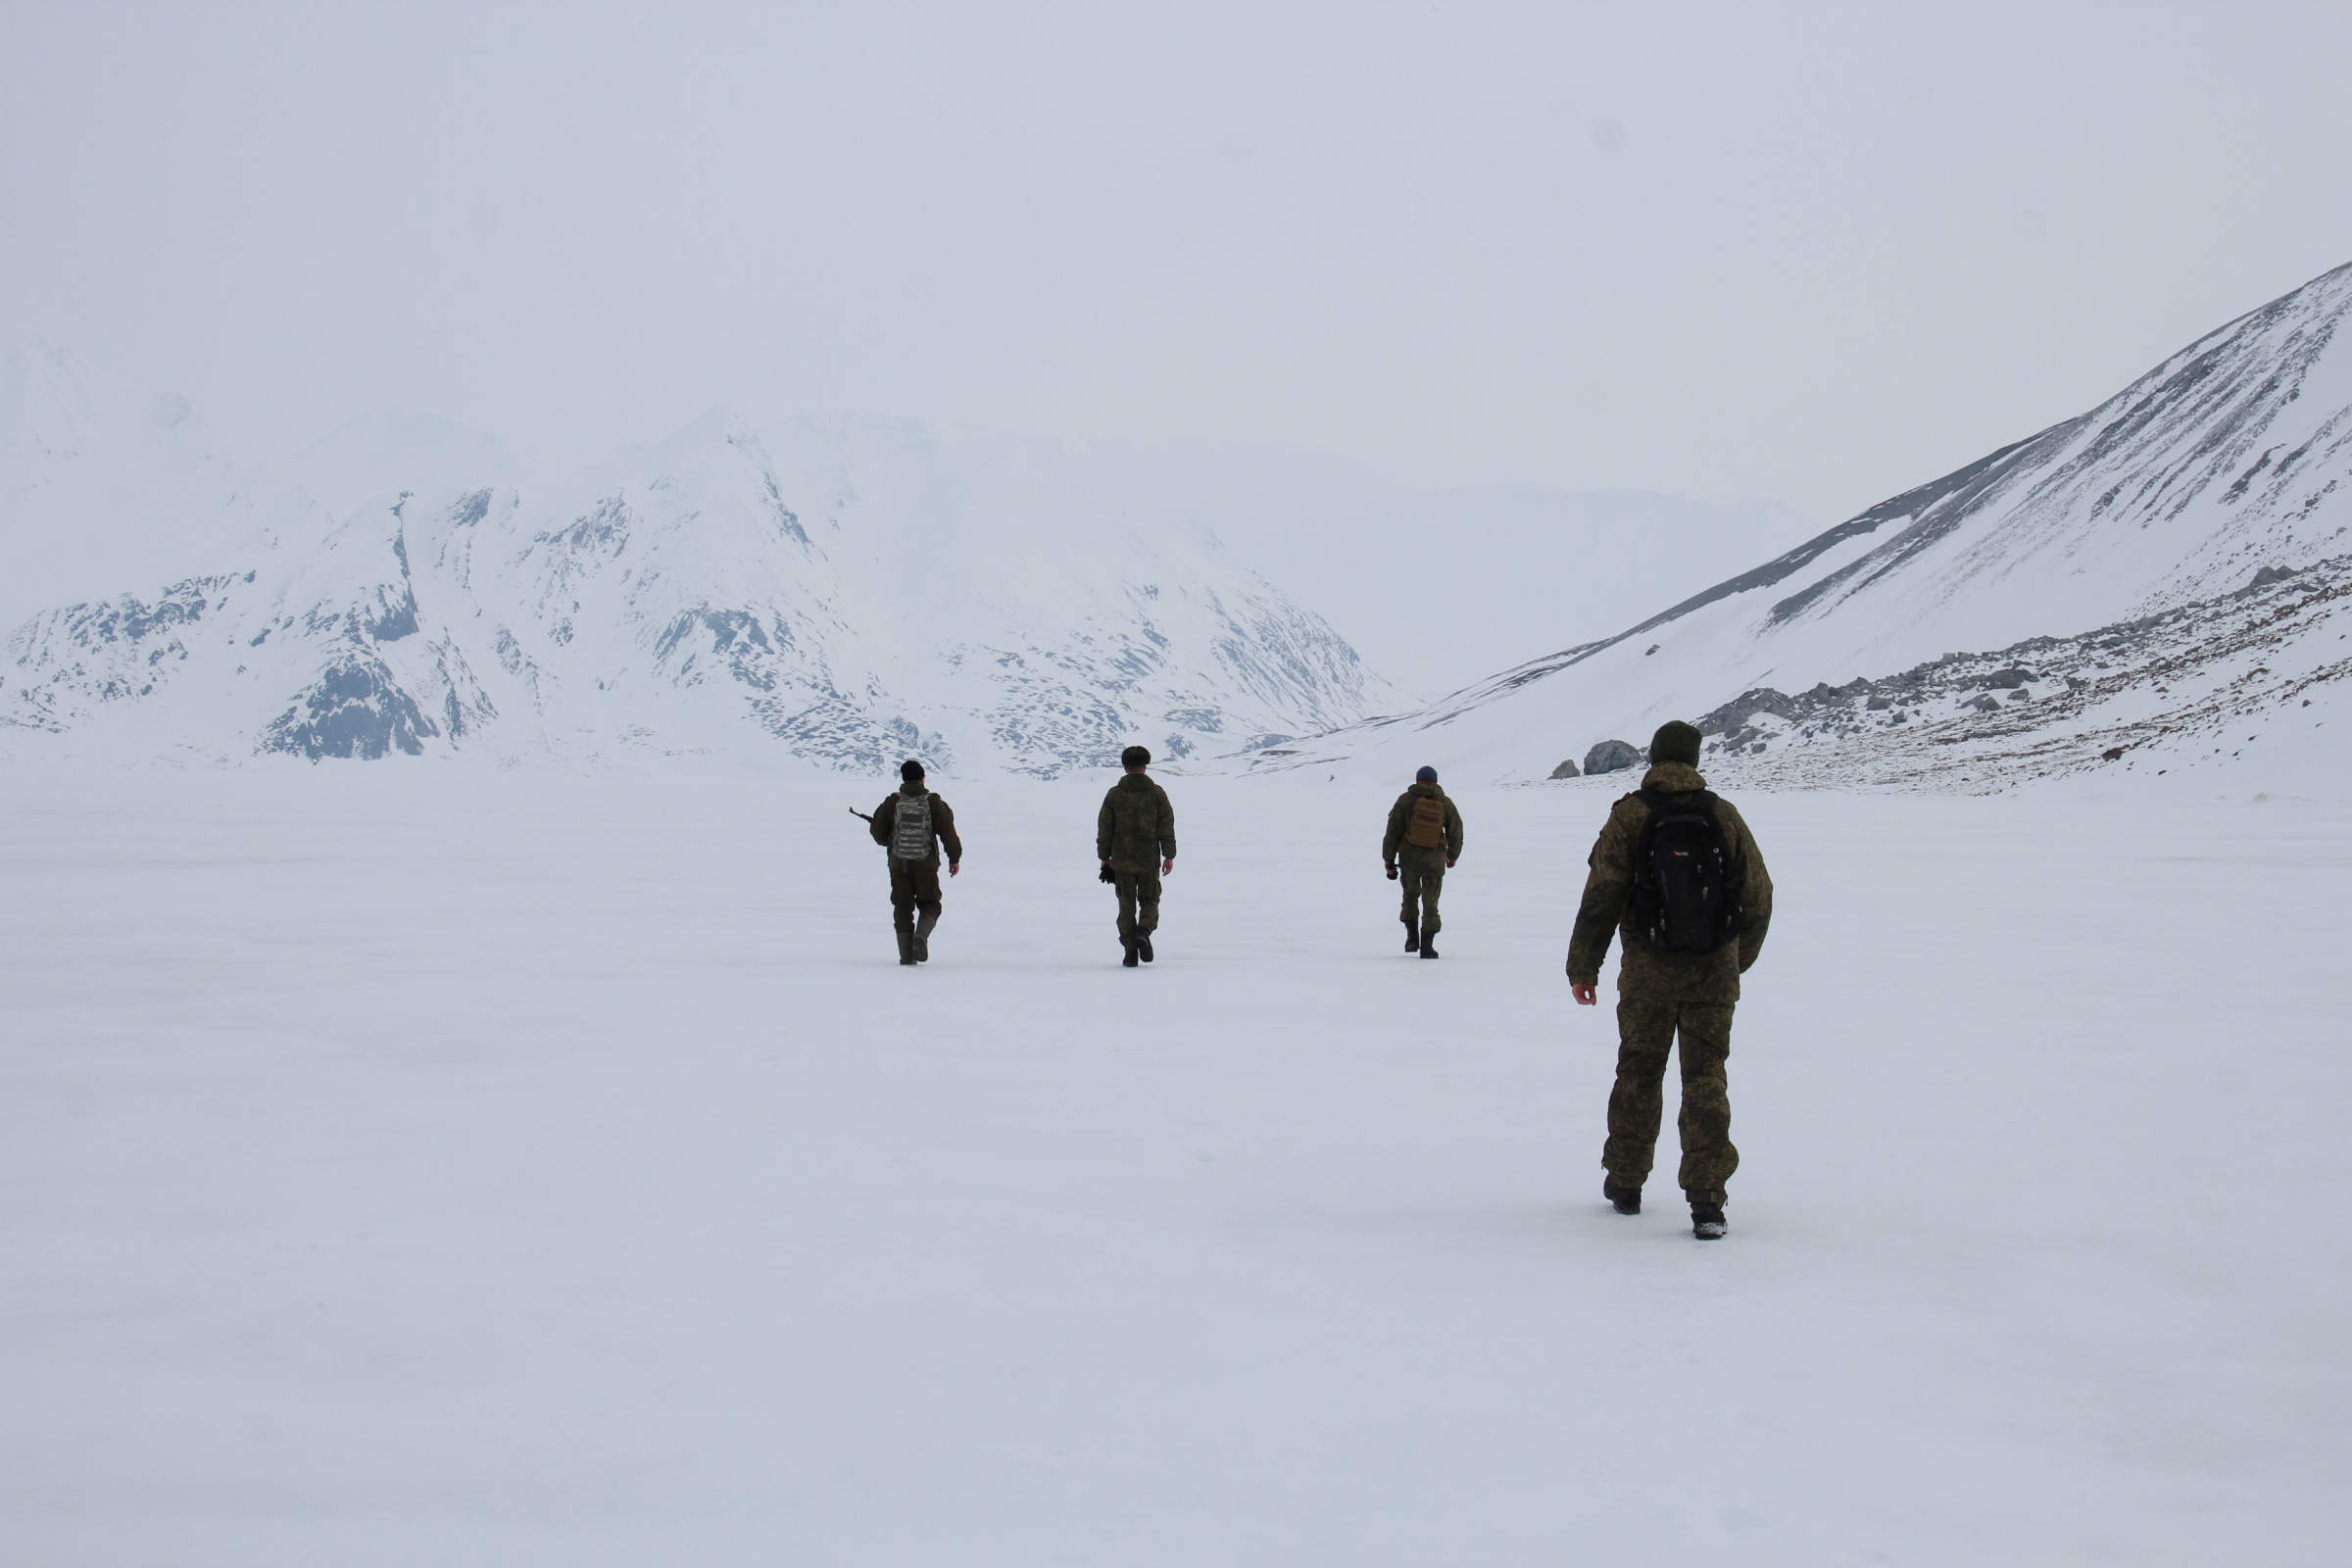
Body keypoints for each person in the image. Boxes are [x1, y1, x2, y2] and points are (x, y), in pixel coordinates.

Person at [1567, 720, 1772, 1239]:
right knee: (1706, 1078)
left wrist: (1583, 967)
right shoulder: (1723, 815)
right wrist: (1734, 959)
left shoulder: (1631, 815)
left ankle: (1627, 1183)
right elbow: (1760, 893)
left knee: (1638, 1071)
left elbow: (1602, 896)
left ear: (1653, 759)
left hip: (1647, 973)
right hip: (1713, 975)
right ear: (1696, 760)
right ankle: (1707, 1202)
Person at [869, 760, 961, 966]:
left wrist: (891, 841)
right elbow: (948, 831)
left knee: (902, 906)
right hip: (926, 863)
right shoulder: (934, 802)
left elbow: (877, 833)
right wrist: (954, 858)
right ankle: (921, 935)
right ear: (922, 779)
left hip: (898, 864)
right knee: (931, 903)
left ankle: (906, 958)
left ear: (903, 778)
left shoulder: (892, 802)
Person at [1098, 744, 1176, 967]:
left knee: (1126, 906)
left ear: (1125, 768)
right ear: (1145, 767)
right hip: (1149, 860)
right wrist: (1169, 854)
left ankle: (1130, 952)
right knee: (1150, 900)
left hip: (1121, 861)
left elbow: (1105, 828)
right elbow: (1166, 826)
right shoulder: (1156, 793)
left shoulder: (1114, 794)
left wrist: (1105, 857)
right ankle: (1144, 931)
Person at [1382, 764, 1463, 957]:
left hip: (1409, 859)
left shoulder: (1405, 800)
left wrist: (1389, 859)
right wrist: (1452, 856)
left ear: (1417, 780)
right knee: (1431, 902)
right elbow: (1456, 831)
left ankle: (1411, 939)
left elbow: (1393, 830)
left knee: (1410, 896)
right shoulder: (1445, 802)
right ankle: (1427, 947)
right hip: (1434, 862)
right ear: (1435, 781)